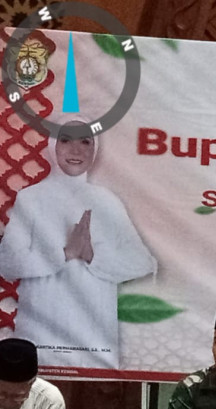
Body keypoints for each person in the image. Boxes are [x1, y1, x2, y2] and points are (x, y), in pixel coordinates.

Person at [0, 122, 156, 369]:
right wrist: (64, 254)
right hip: (41, 340)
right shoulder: (31, 198)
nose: (76, 150)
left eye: (85, 142)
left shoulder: (108, 201)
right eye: (66, 140)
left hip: (95, 343)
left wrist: (93, 256)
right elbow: (7, 263)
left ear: (95, 149)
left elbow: (143, 262)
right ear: (52, 146)